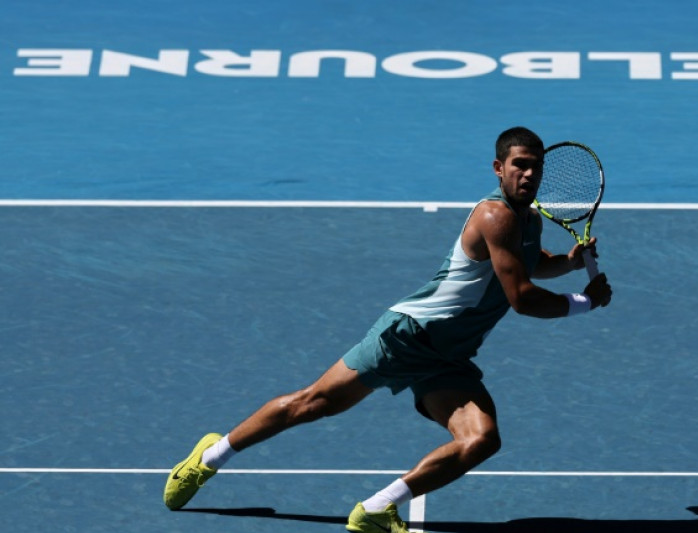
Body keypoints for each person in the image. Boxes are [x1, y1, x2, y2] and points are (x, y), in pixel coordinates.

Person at [163, 126, 613, 533]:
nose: (530, 174)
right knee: (311, 404)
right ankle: (208, 458)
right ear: (499, 168)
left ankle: (378, 509)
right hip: (408, 336)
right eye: (521, 165)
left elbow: (531, 265)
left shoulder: (529, 221)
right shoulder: (496, 217)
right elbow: (522, 297)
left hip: (448, 357)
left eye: (536, 167)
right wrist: (585, 302)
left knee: (480, 440)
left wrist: (570, 263)